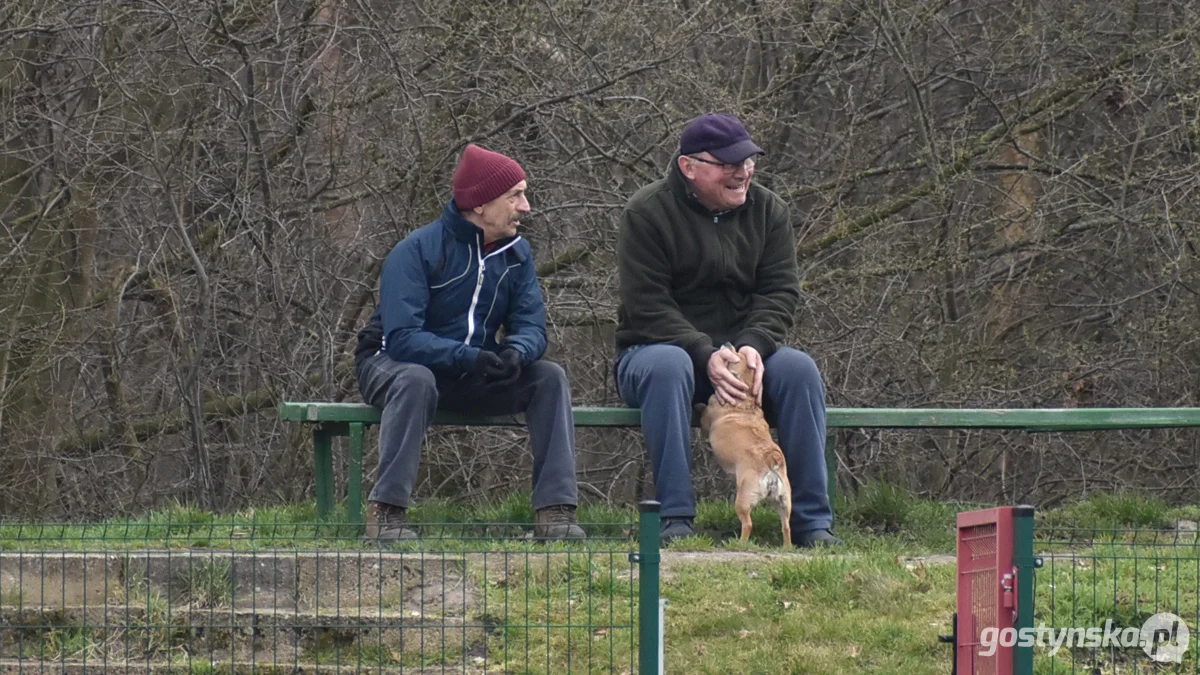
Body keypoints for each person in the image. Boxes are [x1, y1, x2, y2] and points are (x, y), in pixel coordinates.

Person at [614, 113, 840, 547]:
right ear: (689, 167)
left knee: (798, 370)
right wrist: (703, 352)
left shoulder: (769, 210)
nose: (743, 172)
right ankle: (675, 520)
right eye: (729, 164)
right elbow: (647, 304)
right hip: (658, 351)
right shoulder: (647, 212)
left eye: (749, 162)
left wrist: (755, 345)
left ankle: (813, 524)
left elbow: (780, 291)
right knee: (667, 366)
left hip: (743, 357)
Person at [354, 144, 585, 543]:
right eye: (515, 195)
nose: (525, 207)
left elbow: (532, 326)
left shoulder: (517, 255)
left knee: (548, 378)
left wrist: (516, 352)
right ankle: (387, 514)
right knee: (415, 379)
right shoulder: (416, 251)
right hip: (391, 364)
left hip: (470, 370)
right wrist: (468, 357)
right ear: (480, 204)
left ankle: (556, 513)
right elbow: (403, 340)